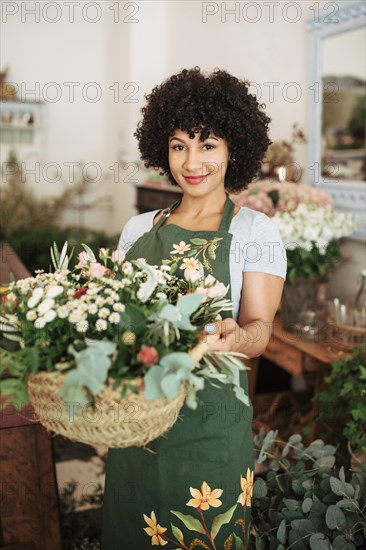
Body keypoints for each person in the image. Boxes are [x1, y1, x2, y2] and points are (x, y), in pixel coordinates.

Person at [102, 67, 287, 549]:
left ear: (233, 151)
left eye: (208, 145)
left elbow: (260, 328)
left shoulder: (254, 231)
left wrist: (235, 339)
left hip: (212, 429)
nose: (192, 160)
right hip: (137, 424)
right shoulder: (137, 229)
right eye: (179, 144)